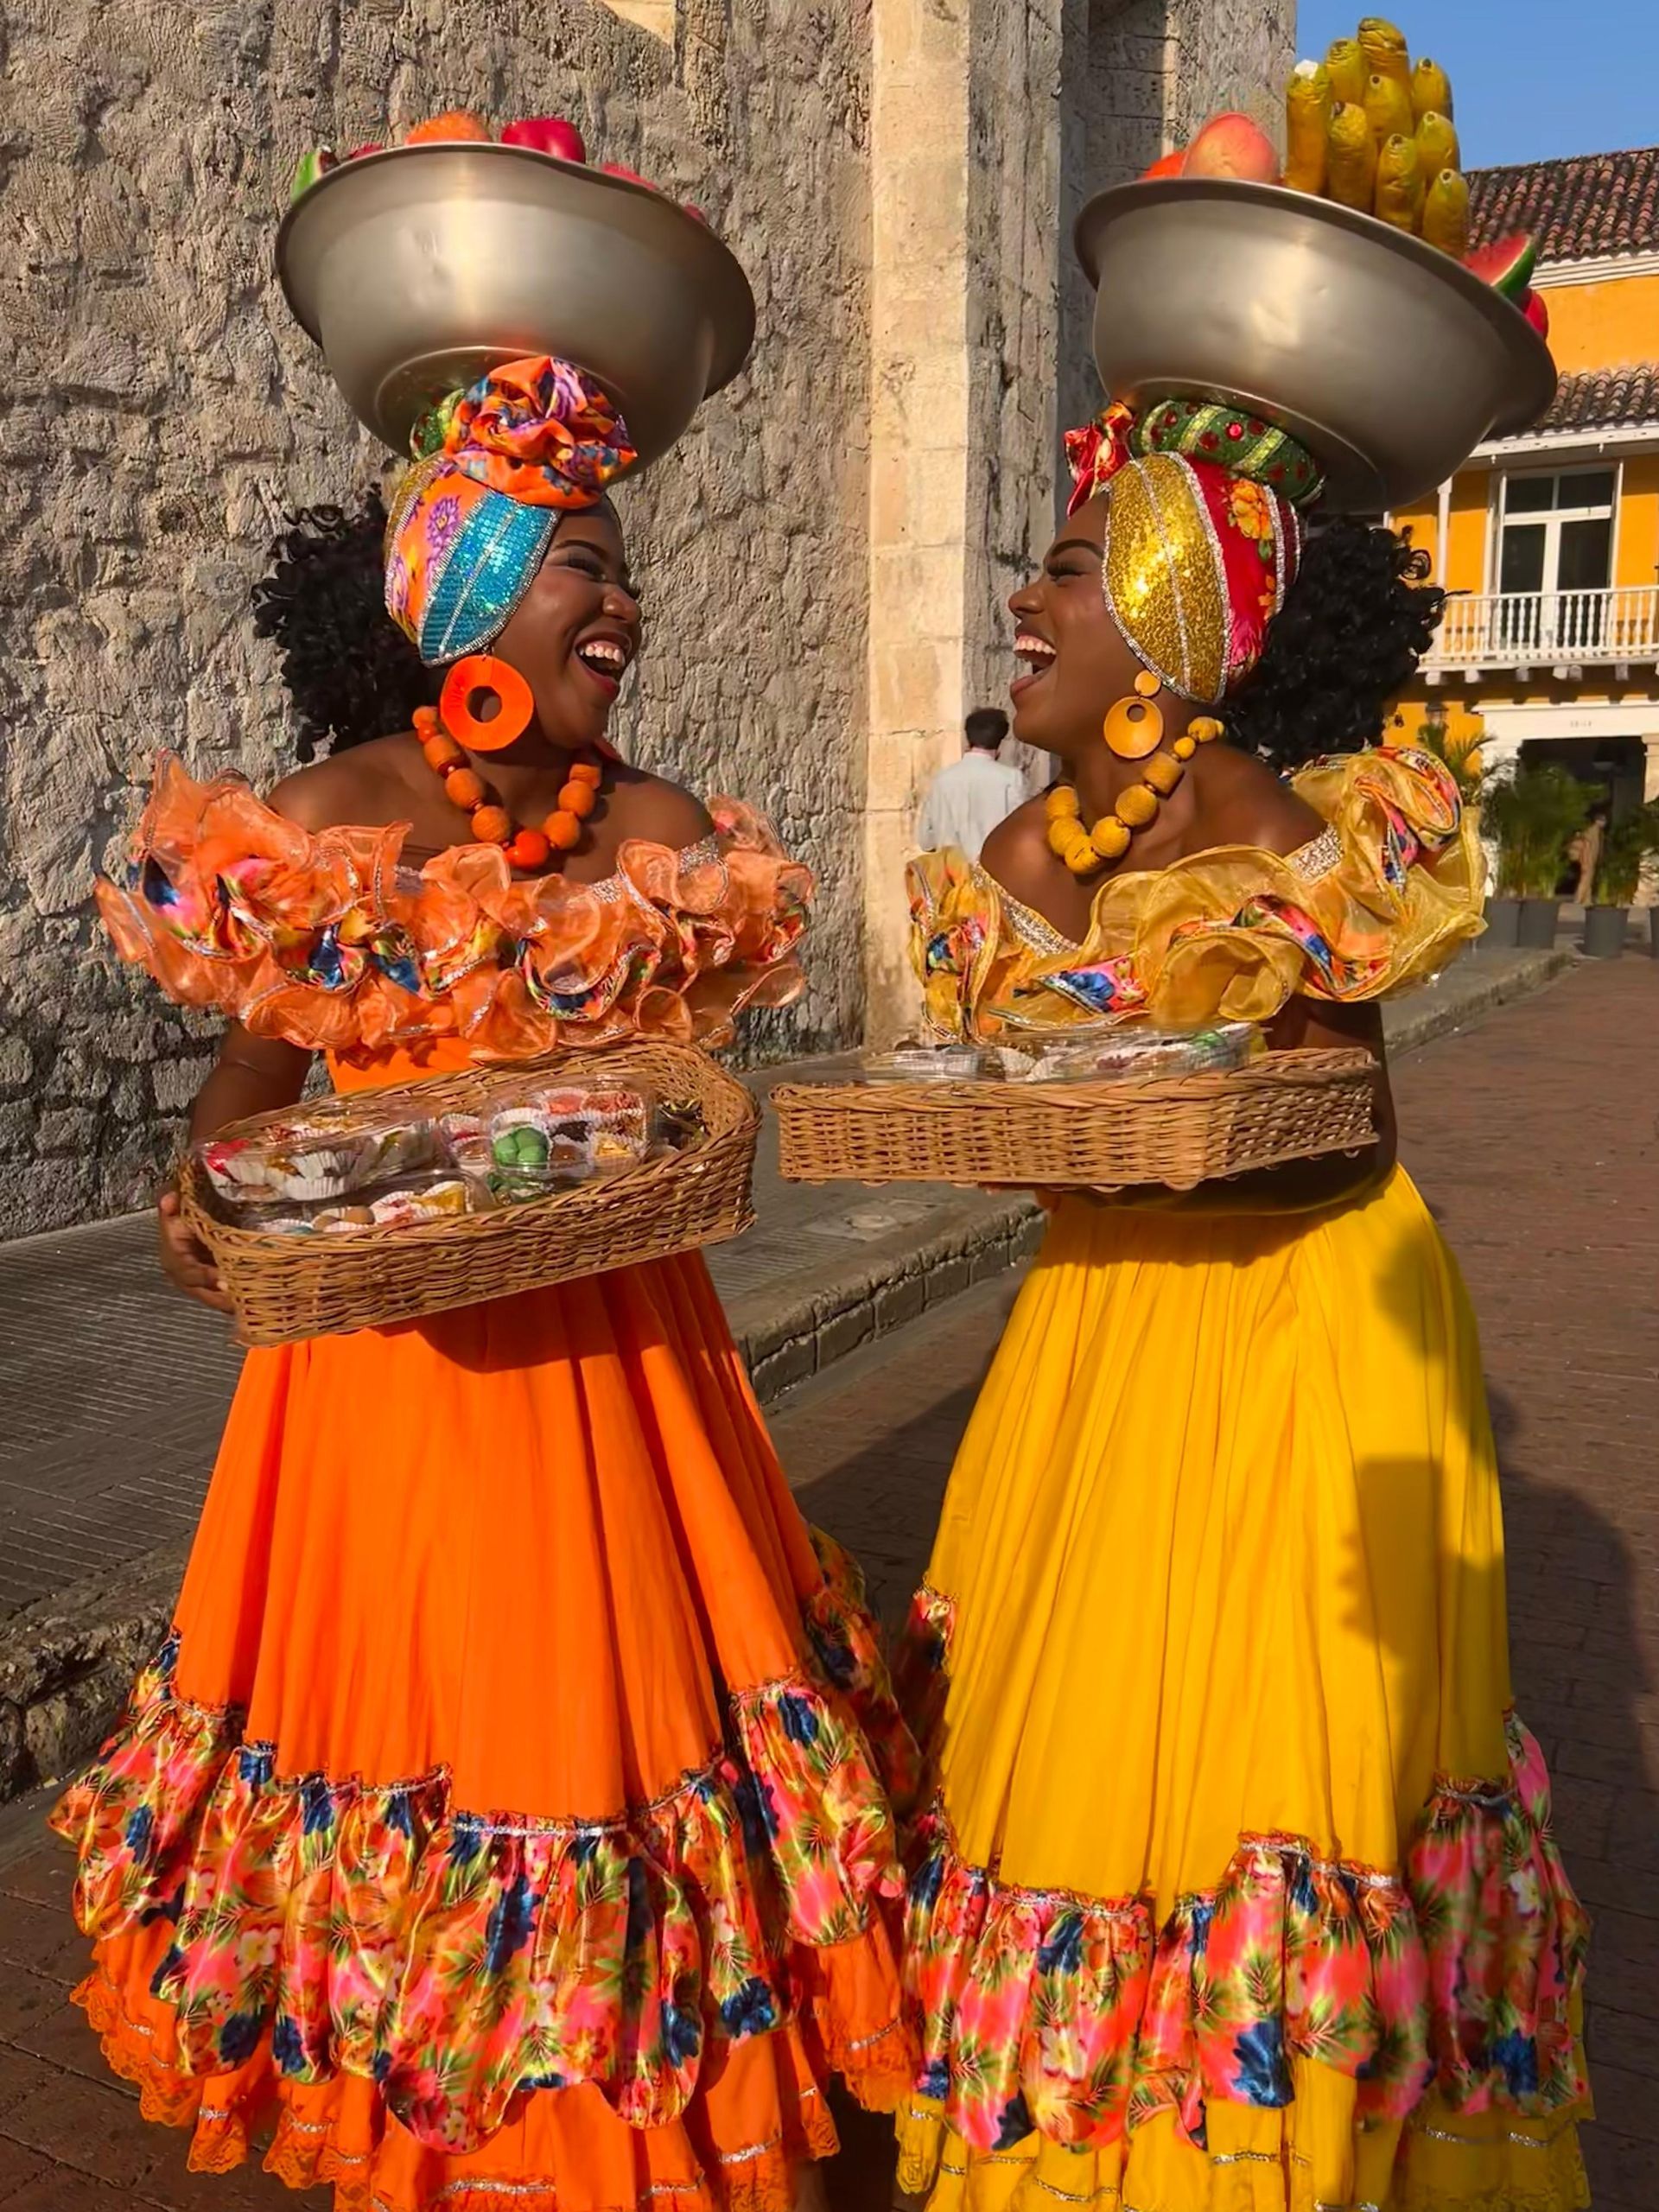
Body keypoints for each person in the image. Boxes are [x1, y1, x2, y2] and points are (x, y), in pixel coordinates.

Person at [49, 159, 918, 2212]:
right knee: (422, 1721)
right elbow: (241, 1100)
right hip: (370, 1405)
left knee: (608, 1729)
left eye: (623, 577)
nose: (621, 607)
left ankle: (624, 2095)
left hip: (619, 1380)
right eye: (578, 568)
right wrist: (220, 1211)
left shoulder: (667, 832)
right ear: (465, 582)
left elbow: (692, 1102)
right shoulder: (325, 827)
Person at [894, 397, 1591, 2206]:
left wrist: (1144, 1125)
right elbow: (1052, 1140)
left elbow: (1336, 1129)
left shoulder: (1292, 835)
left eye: (1064, 569)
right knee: (1086, 1737)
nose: (1020, 605)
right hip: (1106, 1323)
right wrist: (1062, 1133)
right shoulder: (1026, 861)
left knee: (1269, 1752)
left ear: (1173, 616)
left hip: (1307, 1331)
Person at [915, 709, 1027, 861]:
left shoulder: (942, 780)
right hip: (994, 876)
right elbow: (1019, 834)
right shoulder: (1011, 779)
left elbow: (925, 840)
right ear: (1000, 740)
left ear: (969, 738)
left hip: (953, 878)